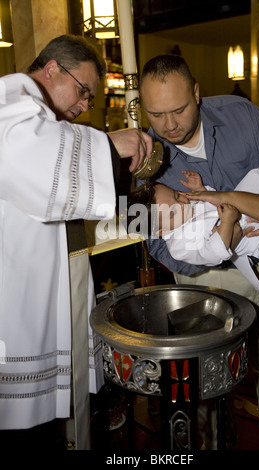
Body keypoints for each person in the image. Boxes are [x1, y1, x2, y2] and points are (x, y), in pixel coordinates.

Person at [138, 53, 259, 450]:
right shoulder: (142, 156)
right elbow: (150, 235)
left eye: (178, 110)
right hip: (200, 284)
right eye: (156, 115)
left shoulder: (242, 115)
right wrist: (208, 249)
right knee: (202, 384)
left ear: (197, 93)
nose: (169, 126)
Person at [0, 34, 153, 442]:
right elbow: (23, 157)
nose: (85, 106)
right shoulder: (11, 99)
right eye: (83, 91)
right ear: (52, 69)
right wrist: (106, 144)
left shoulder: (36, 116)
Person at [128, 152, 259, 291]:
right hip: (253, 237)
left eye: (176, 194)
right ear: (161, 231)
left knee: (253, 178)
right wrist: (227, 221)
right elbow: (217, 252)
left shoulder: (188, 209)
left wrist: (201, 190)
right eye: (173, 212)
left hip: (240, 213)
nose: (182, 203)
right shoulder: (179, 245)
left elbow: (210, 205)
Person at [191, 127, 259, 228]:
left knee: (251, 184)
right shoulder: (181, 242)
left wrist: (201, 191)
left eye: (178, 195)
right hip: (244, 234)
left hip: (224, 221)